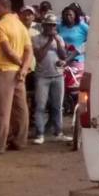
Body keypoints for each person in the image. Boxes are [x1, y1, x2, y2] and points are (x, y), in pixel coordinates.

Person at [0, 0, 33, 153]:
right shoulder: (21, 26)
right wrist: (24, 69)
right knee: (20, 109)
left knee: (1, 110)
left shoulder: (0, 26)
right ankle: (20, 141)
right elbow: (29, 51)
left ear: (3, 7)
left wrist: (21, 65)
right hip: (19, 73)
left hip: (3, 71)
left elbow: (8, 51)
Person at [31, 13, 70, 144]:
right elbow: (39, 56)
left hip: (58, 75)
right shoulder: (36, 38)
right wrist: (49, 41)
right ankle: (40, 134)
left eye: (53, 25)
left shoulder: (59, 38)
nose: (51, 27)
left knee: (58, 106)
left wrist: (58, 42)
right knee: (41, 106)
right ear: (44, 25)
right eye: (48, 25)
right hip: (42, 76)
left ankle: (58, 132)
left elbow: (64, 56)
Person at [58, 5, 89, 77]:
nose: (68, 16)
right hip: (63, 61)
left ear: (75, 15)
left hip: (77, 60)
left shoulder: (82, 26)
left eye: (70, 14)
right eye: (66, 15)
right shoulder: (60, 26)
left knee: (75, 86)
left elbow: (93, 37)